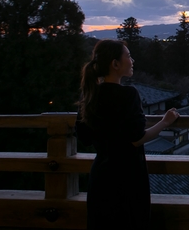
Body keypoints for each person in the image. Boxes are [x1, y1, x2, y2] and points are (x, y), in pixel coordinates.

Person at [76, 39, 179, 229]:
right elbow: (137, 139)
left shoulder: (90, 95)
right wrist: (165, 122)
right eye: (128, 56)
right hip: (127, 176)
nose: (132, 60)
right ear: (115, 64)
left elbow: (84, 137)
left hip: (100, 176)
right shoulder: (128, 94)